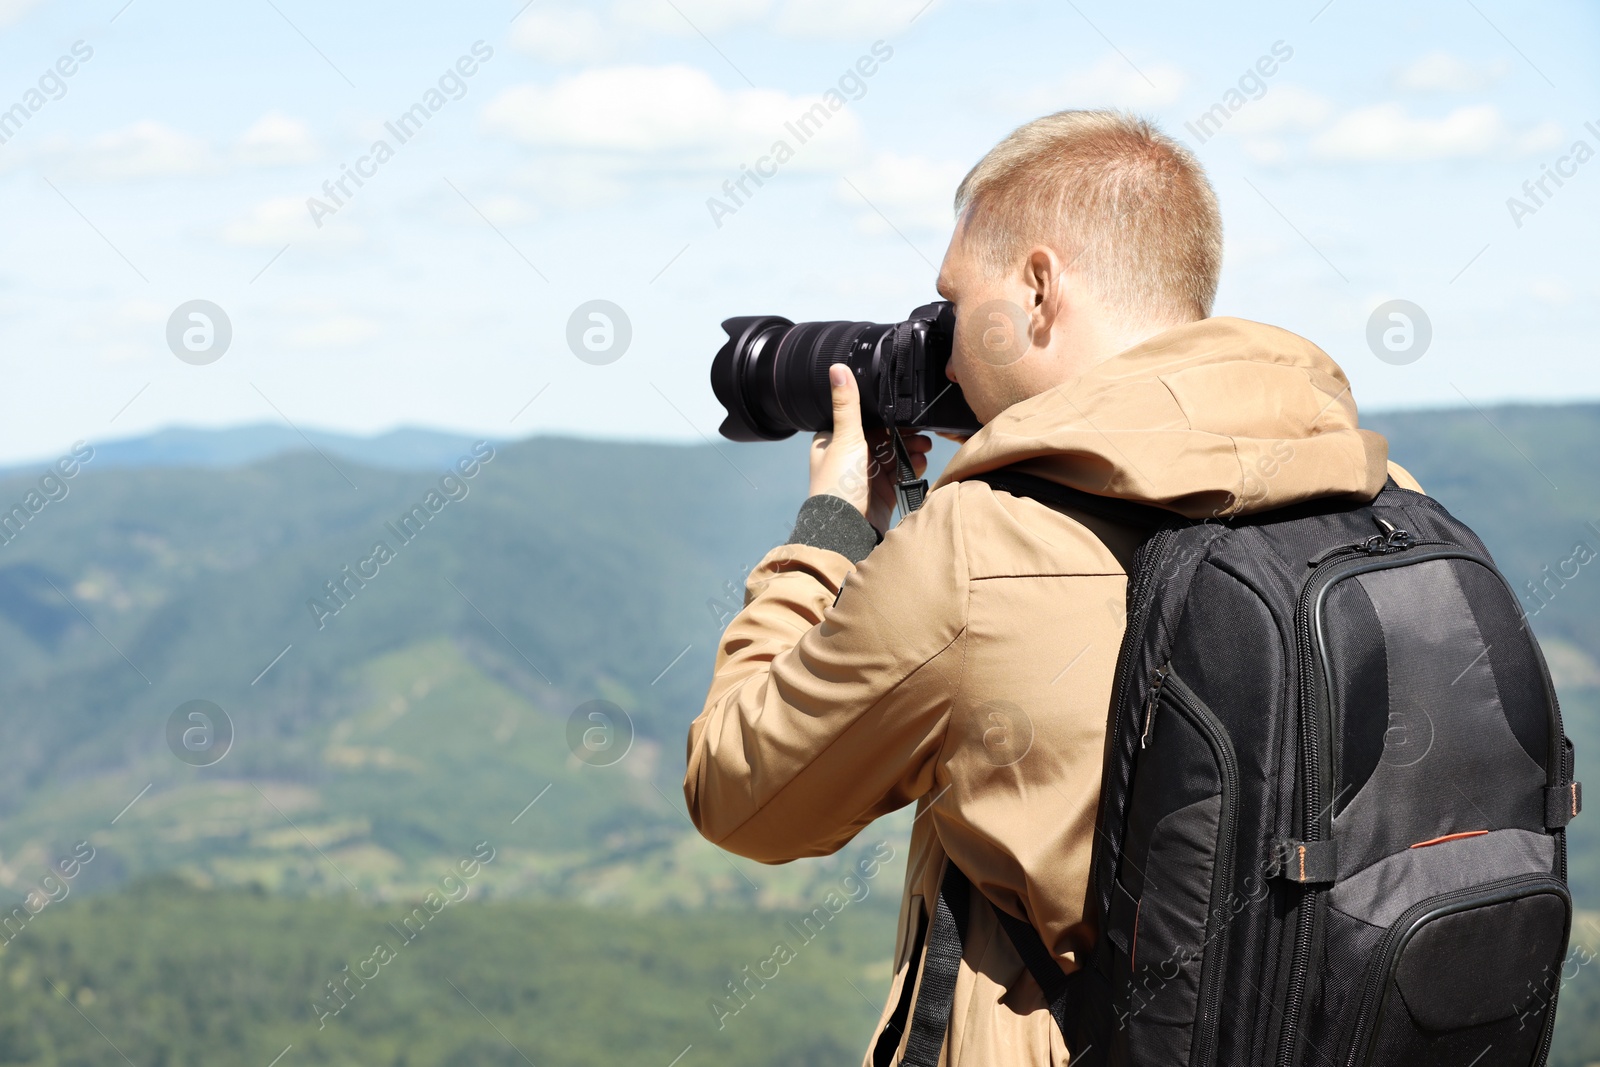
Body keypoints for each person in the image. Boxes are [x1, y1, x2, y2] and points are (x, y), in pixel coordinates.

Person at [682, 108, 1423, 1066]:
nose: (943, 352)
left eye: (955, 306)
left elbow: (743, 795)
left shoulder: (979, 547)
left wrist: (830, 533)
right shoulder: (1378, 497)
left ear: (1037, 287)